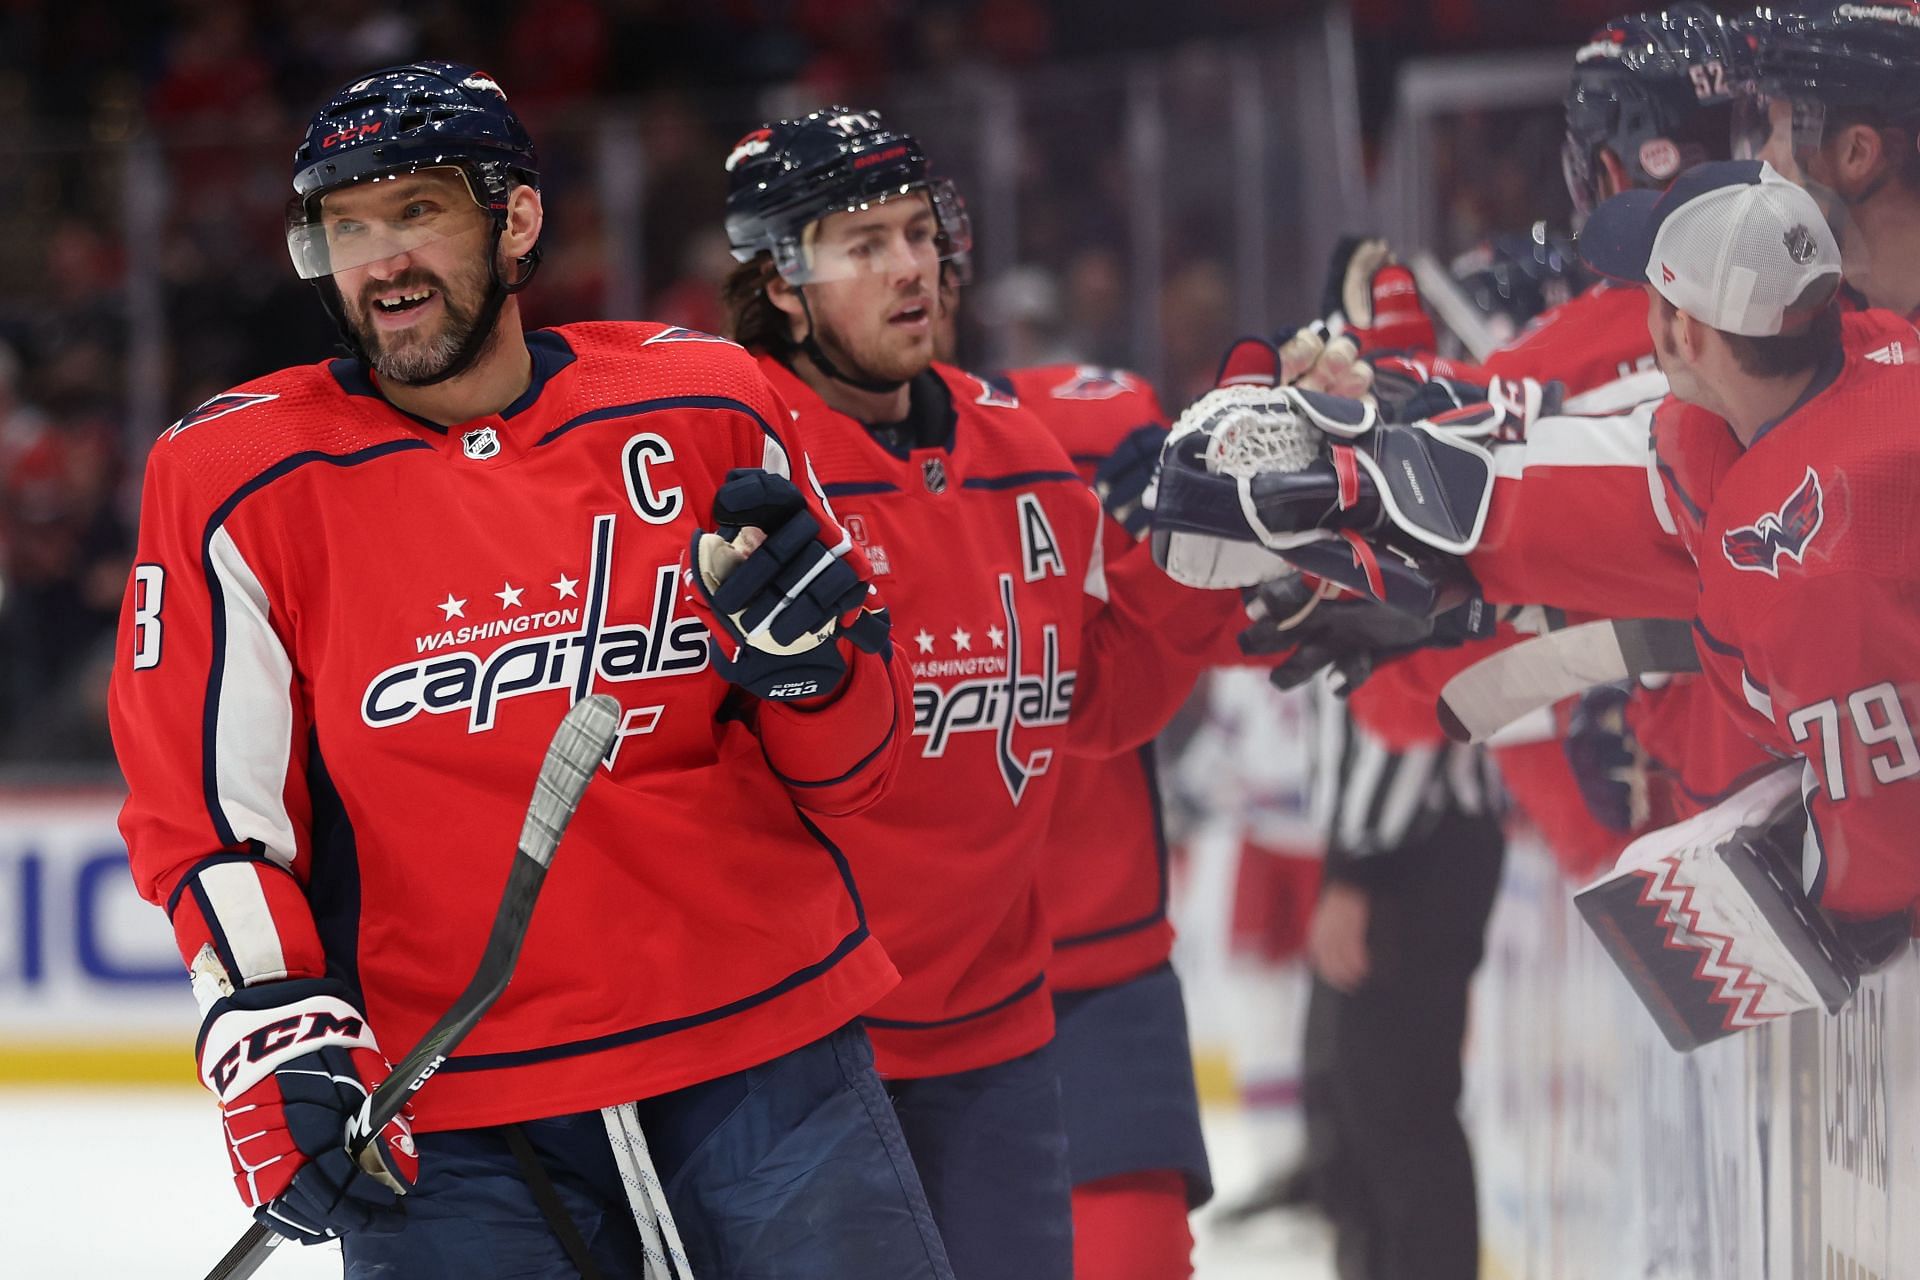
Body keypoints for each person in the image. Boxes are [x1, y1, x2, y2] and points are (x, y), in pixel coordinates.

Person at [108, 62, 956, 1280]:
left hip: (770, 1064)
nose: (382, 261)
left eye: (419, 211)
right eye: (347, 226)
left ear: (515, 220)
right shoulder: (233, 476)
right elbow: (210, 814)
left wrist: (813, 678)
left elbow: (860, 773)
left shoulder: (705, 397)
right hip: (454, 1115)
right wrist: (273, 1022)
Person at [719, 106, 1230, 1280]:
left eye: (918, 232)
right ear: (781, 283)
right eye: (862, 243)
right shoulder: (731, 457)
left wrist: (1204, 564)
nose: (910, 267)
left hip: (1000, 1034)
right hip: (801, 1048)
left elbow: (1098, 701)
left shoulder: (1024, 453)